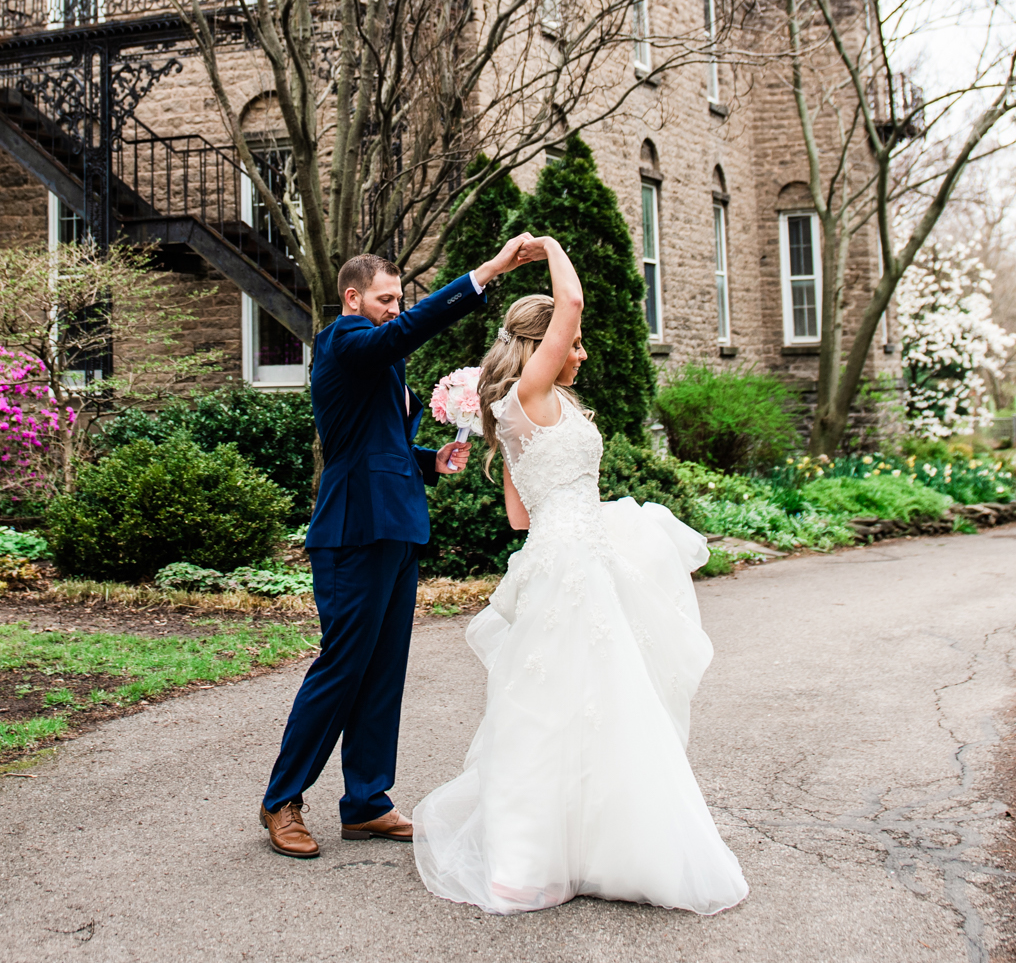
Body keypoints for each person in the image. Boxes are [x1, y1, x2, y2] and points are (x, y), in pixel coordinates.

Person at [412, 236, 750, 916]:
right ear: (544, 346)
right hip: (574, 565)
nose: (583, 351)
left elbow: (517, 517)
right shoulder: (533, 391)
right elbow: (570, 297)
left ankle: (540, 860)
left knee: (556, 705)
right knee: (596, 700)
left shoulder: (517, 409)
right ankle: (567, 856)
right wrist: (548, 247)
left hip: (557, 559)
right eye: (574, 344)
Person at [259, 235, 546, 858]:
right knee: (340, 667)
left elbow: (375, 438)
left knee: (383, 672)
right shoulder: (343, 340)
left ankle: (367, 803)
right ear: (352, 297)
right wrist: (489, 271)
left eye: (399, 298)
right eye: (385, 298)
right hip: (352, 530)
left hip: (396, 525)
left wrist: (427, 459)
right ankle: (282, 799)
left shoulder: (383, 364)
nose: (395, 307)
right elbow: (397, 339)